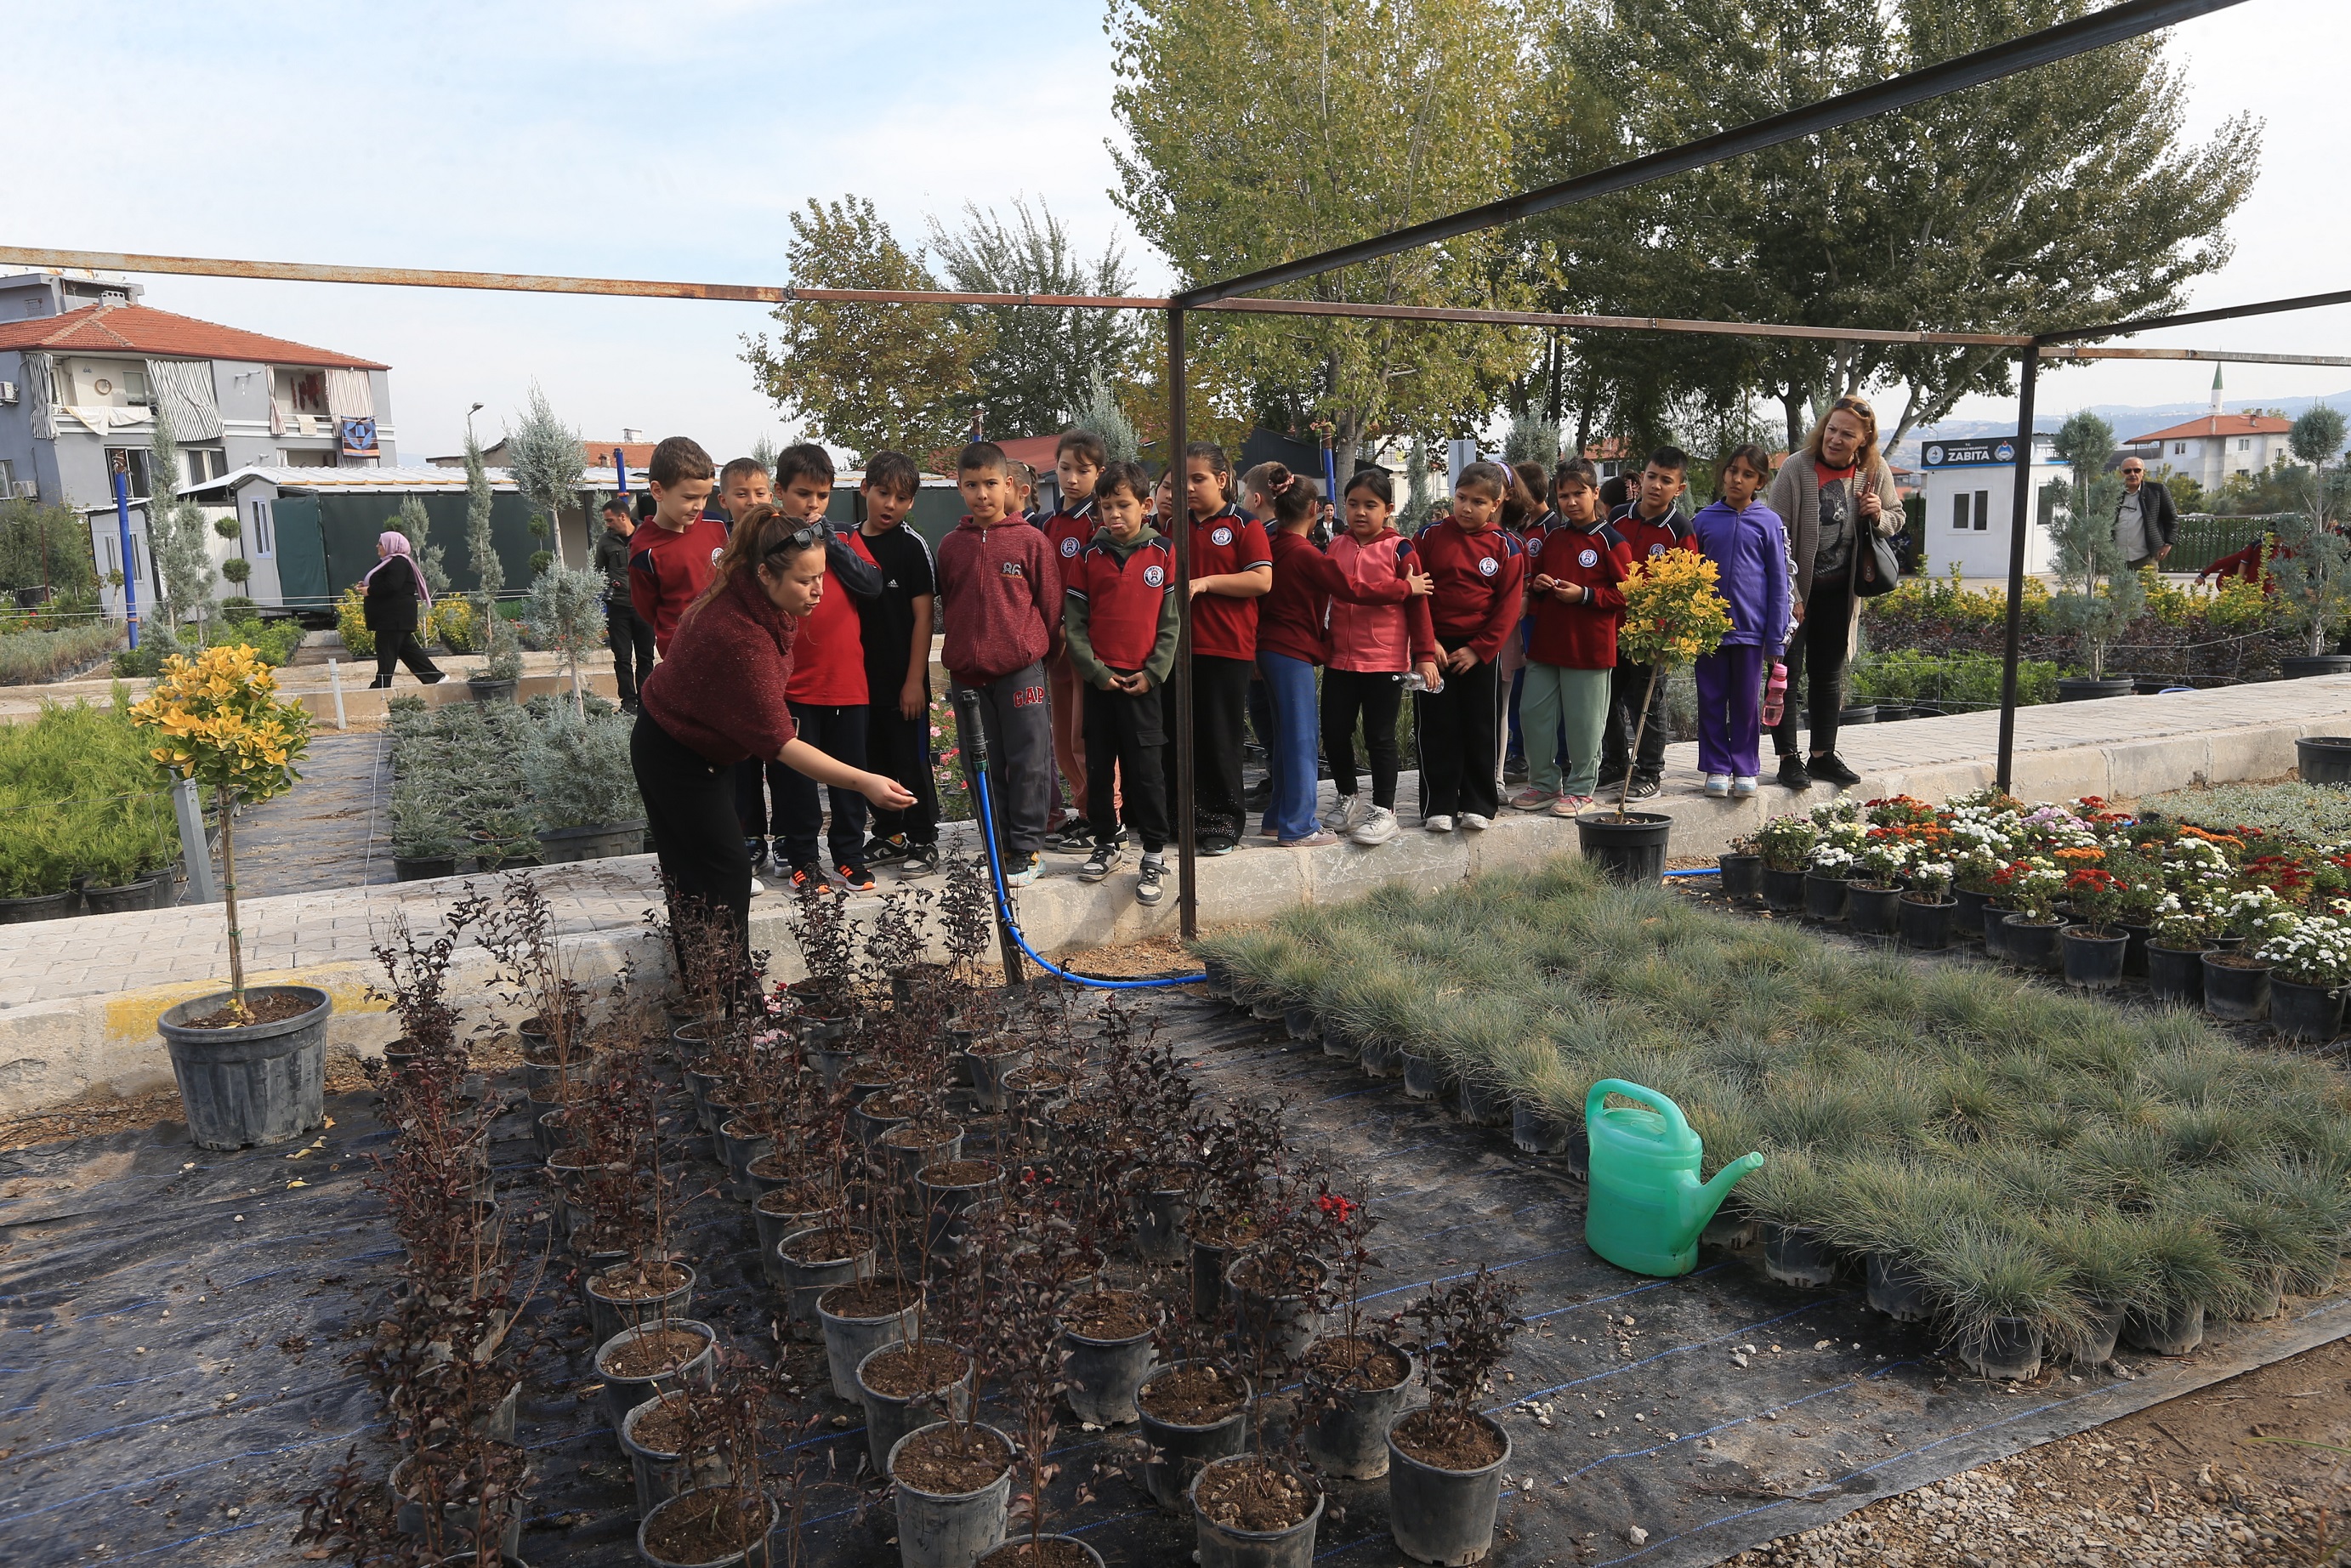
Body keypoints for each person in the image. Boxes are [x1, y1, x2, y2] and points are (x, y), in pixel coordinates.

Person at [633, 503, 914, 974]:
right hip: (674, 755)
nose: (819, 590)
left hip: (697, 747)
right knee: (721, 874)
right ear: (765, 573)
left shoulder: (753, 600)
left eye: (822, 575)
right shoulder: (740, 635)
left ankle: (716, 1000)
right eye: (806, 580)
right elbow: (782, 746)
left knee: (705, 877)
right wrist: (863, 781)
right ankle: (730, 1003)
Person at [935, 440, 1060, 888]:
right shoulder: (951, 546)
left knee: (1028, 759)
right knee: (980, 763)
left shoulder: (1031, 542)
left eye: (990, 484)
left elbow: (1050, 607)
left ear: (1009, 485)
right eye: (972, 485)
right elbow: (950, 602)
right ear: (959, 488)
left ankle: (1026, 849)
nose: (982, 494)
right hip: (969, 675)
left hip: (1021, 671)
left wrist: (1026, 648)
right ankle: (999, 843)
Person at [764, 445, 883, 893]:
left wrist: (828, 540)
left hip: (847, 683)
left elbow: (872, 585)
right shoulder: (769, 544)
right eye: (802, 494)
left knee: (850, 776)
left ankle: (850, 857)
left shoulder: (843, 540)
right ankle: (802, 859)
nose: (812, 504)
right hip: (792, 686)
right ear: (780, 492)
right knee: (793, 780)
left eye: (822, 495)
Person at [1766, 395, 1901, 791]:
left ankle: (1822, 755)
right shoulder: (1796, 468)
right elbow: (1775, 538)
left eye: (1847, 433)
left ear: (1864, 440)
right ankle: (1788, 758)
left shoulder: (1874, 471)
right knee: (1783, 674)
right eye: (1832, 429)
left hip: (1840, 593)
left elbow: (1896, 518)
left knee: (1828, 673)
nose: (1836, 438)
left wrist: (1878, 513)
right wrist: (1791, 596)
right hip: (1794, 592)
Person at [1062, 459, 1176, 905]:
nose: (1114, 515)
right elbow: (1075, 625)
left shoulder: (1163, 554)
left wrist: (1152, 673)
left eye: (1123, 505)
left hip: (1144, 685)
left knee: (1146, 773)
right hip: (1102, 685)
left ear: (1146, 506)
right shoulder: (1088, 557)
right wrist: (1097, 672)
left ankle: (1152, 852)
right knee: (1098, 766)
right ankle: (1106, 841)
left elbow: (1170, 624)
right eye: (1106, 506)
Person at [1319, 469, 1438, 845]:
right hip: (1340, 659)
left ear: (1387, 509)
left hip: (1384, 660)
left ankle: (1385, 811)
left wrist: (1424, 656)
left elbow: (1419, 607)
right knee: (1335, 731)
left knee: (1380, 737)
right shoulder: (1336, 545)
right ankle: (1348, 797)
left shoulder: (1401, 549)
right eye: (1353, 504)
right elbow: (1327, 597)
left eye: (1370, 505)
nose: (1360, 512)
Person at [1169, 442, 1273, 855]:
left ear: (1222, 480)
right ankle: (1185, 818)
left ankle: (1224, 823)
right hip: (1179, 650)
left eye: (1198, 479)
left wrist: (1208, 582)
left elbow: (1262, 580)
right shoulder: (1174, 527)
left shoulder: (1244, 525)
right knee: (1181, 739)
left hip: (1226, 648)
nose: (1189, 488)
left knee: (1219, 737)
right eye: (1183, 481)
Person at [1414, 461, 1529, 832]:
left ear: (1496, 504)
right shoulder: (1428, 537)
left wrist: (1480, 649)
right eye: (1461, 498)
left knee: (1481, 726)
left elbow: (1509, 606)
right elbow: (1416, 594)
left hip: (1481, 652)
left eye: (1478, 502)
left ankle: (1479, 803)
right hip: (1435, 648)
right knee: (1436, 726)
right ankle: (1438, 806)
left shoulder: (1507, 546)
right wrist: (1428, 641)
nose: (1466, 508)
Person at [1511, 458, 1627, 814]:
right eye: (1564, 495)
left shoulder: (1612, 541)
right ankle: (1544, 783)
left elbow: (1628, 595)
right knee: (1533, 714)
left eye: (1579, 493)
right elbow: (1537, 577)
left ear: (1595, 493)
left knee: (1584, 723)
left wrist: (1586, 595)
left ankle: (1580, 789)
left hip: (1589, 648)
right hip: (1547, 644)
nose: (1572, 502)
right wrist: (1538, 585)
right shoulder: (1555, 537)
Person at [850, 451, 942, 878]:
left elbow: (924, 618)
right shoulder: (844, 544)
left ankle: (923, 838)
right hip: (856, 682)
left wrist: (914, 682)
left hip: (902, 681)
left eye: (901, 498)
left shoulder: (913, 547)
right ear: (865, 488)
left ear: (911, 503)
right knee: (871, 761)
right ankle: (889, 835)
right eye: (883, 493)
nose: (890, 504)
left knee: (911, 760)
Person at [1692, 446, 1792, 799]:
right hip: (1709, 632)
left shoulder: (1769, 522)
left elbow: (1780, 583)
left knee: (1747, 702)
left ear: (1760, 482)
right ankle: (1717, 767)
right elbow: (1689, 576)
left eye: (1747, 474)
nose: (1737, 479)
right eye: (1733, 470)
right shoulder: (1703, 520)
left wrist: (1776, 638)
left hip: (1751, 632)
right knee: (1711, 698)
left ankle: (1746, 766)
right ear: (1724, 473)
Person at [1600, 446, 1695, 799]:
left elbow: (1687, 583)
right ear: (1642, 477)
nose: (1656, 486)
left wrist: (1668, 632)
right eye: (1651, 476)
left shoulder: (1680, 529)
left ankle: (1650, 771)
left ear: (1679, 489)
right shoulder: (1619, 518)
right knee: (1607, 697)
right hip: (1612, 626)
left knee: (1648, 701)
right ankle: (1614, 763)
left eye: (1666, 481)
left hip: (1651, 635)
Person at [1040, 431, 1109, 853]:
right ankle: (1083, 811)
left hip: (1085, 644)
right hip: (1053, 645)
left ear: (1098, 473)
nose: (1071, 478)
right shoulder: (1048, 524)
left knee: (1087, 736)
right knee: (1063, 740)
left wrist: (1072, 628)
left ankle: (1102, 815)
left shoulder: (1097, 523)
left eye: (1082, 471)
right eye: (1065, 468)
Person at [628, 436, 724, 656]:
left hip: (727, 646)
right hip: (682, 655)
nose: (699, 506)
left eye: (705, 497)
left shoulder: (717, 525)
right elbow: (648, 610)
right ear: (658, 491)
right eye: (690, 497)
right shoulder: (645, 551)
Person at [361, 532, 446, 689]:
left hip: (393, 617)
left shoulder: (398, 563)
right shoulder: (390, 562)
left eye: (381, 543)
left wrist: (371, 591)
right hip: (393, 617)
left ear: (392, 545)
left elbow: (393, 586)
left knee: (386, 649)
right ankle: (435, 677)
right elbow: (386, 582)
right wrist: (366, 585)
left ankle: (381, 684)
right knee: (407, 650)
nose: (378, 546)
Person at [593, 497, 654, 709]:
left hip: (644, 607)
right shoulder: (605, 541)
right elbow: (598, 572)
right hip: (618, 608)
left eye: (610, 520)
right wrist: (608, 585)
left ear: (623, 516)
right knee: (622, 658)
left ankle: (646, 701)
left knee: (646, 657)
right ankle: (628, 702)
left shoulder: (648, 535)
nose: (608, 525)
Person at [2114, 457, 2178, 571]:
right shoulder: (2112, 494)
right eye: (2127, 471)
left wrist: (2168, 544)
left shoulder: (2157, 491)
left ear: (2144, 472)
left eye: (2137, 470)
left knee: (2148, 589)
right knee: (2116, 589)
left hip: (2146, 558)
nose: (2132, 474)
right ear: (2121, 473)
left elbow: (2171, 519)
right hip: (2117, 559)